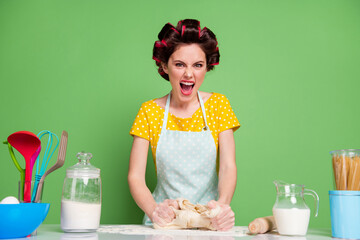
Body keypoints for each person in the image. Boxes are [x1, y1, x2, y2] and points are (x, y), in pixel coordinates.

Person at [128, 19, 240, 231]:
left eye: (198, 65)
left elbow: (228, 167)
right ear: (164, 66)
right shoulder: (149, 112)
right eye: (179, 64)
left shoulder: (219, 105)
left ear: (207, 67)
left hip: (209, 221)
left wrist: (222, 207)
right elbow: (135, 176)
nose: (189, 74)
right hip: (164, 224)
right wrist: (154, 211)